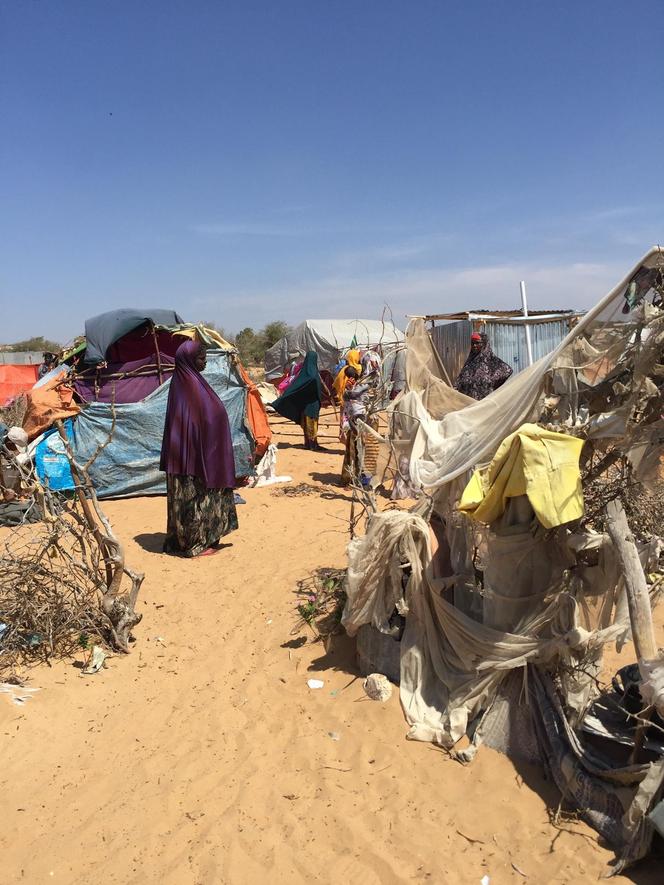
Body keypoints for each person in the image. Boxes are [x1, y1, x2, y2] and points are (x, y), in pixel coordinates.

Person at [159, 340, 238, 557]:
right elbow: (201, 420)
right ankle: (196, 543)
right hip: (193, 459)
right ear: (189, 360)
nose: (204, 363)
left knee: (188, 501)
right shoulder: (190, 386)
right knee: (194, 500)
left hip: (189, 456)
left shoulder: (184, 383)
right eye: (201, 359)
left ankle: (185, 541)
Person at [270, 351, 323, 450]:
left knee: (308, 424)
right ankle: (312, 444)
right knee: (311, 423)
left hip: (304, 403)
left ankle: (308, 443)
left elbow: (296, 386)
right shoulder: (312, 374)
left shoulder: (304, 373)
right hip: (312, 404)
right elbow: (311, 385)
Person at [454, 332, 513, 400]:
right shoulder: (469, 363)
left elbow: (508, 371)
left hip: (486, 404)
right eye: (472, 343)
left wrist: (493, 381)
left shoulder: (493, 362)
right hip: (469, 405)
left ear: (484, 344)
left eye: (477, 343)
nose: (474, 345)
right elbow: (459, 382)